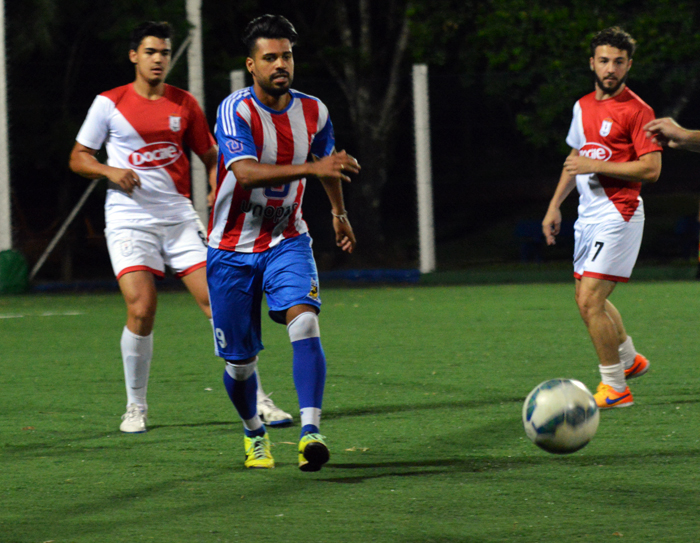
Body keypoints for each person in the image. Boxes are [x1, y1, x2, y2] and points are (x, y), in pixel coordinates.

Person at [68, 21, 292, 434]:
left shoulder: (183, 103)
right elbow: (78, 157)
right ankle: (136, 407)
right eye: (151, 52)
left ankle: (258, 399)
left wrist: (213, 188)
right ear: (134, 56)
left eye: (165, 53)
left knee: (220, 303)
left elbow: (210, 154)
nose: (158, 59)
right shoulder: (109, 103)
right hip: (129, 220)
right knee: (142, 307)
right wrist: (109, 170)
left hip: (178, 218)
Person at [207, 14, 360, 471]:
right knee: (240, 364)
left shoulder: (315, 111)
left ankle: (311, 432)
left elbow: (326, 162)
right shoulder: (235, 111)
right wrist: (314, 171)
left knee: (305, 322)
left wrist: (338, 213)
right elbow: (245, 172)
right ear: (251, 65)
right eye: (270, 57)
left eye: (286, 56)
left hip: (286, 240)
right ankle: (254, 432)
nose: (281, 65)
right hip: (230, 250)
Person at [541, 27, 662, 409]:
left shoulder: (638, 110)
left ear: (629, 65)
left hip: (619, 212)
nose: (611, 69)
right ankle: (630, 360)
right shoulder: (582, 106)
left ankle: (615, 386)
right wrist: (554, 204)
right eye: (604, 60)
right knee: (586, 298)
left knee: (591, 300)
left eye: (619, 62)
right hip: (587, 214)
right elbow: (576, 159)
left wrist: (596, 163)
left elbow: (652, 169)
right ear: (592, 62)